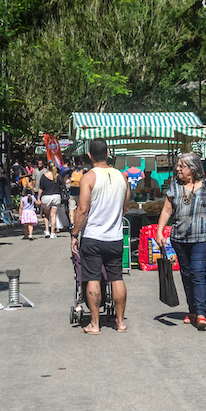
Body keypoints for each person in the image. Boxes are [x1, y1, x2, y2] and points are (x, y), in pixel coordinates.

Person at [156, 152, 206, 330]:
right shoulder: (174, 187)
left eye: (181, 166)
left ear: (192, 168)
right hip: (179, 239)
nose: (178, 169)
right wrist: (160, 231)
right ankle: (192, 310)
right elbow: (167, 211)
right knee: (186, 274)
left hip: (203, 238)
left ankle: (201, 313)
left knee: (198, 273)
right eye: (178, 166)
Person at [71, 138, 132, 334]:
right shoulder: (122, 177)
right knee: (116, 278)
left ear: (89, 155)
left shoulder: (88, 177)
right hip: (115, 237)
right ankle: (120, 322)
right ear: (108, 153)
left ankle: (95, 324)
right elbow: (126, 206)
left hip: (93, 237)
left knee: (93, 278)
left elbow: (82, 209)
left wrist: (74, 234)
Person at [37, 162, 64, 239]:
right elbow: (62, 185)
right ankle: (52, 232)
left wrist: (38, 198)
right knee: (53, 215)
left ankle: (47, 231)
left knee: (46, 215)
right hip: (56, 196)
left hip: (46, 197)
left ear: (47, 168)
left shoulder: (43, 176)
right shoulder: (58, 176)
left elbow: (41, 188)